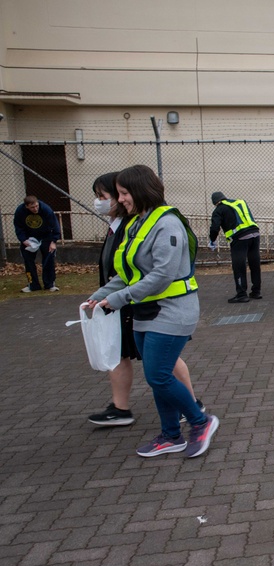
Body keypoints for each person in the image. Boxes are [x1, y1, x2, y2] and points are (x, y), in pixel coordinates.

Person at [85, 164, 218, 458]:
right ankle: (171, 435)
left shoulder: (166, 224)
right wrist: (99, 296)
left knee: (158, 376)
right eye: (118, 194)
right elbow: (128, 273)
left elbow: (161, 275)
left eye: (124, 193)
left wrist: (118, 299)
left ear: (140, 190)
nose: (120, 200)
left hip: (172, 313)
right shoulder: (137, 224)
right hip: (146, 313)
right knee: (158, 376)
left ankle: (200, 422)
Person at [208, 191, 261, 303]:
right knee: (254, 264)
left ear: (215, 202)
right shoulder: (239, 202)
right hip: (255, 234)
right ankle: (256, 291)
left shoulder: (219, 210)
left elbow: (215, 228)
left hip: (240, 238)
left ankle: (241, 294)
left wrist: (212, 240)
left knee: (239, 266)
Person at [13, 195, 61, 292]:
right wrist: (23, 240)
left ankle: (49, 284)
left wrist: (54, 241)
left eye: (36, 206)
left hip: (46, 236)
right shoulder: (20, 211)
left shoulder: (46, 209)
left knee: (48, 259)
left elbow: (55, 225)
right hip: (29, 237)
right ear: (26, 206)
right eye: (32, 207)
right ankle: (33, 285)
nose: (35, 209)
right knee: (28, 261)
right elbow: (18, 226)